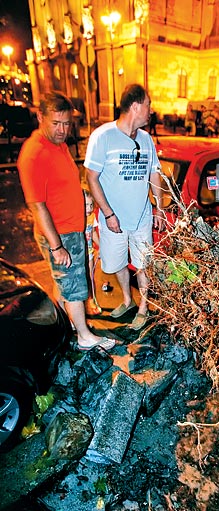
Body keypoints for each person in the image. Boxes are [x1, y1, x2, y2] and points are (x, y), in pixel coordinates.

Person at [17, 91, 115, 352]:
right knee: (74, 284)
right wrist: (57, 246)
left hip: (71, 228)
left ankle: (61, 327)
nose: (62, 130)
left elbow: (61, 186)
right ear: (40, 117)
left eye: (66, 123)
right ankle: (84, 336)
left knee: (63, 284)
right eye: (56, 123)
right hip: (60, 233)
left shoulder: (57, 145)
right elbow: (37, 205)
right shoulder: (34, 153)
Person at [84, 83, 166, 330]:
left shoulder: (146, 139)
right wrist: (108, 214)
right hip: (113, 219)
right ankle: (128, 300)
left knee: (143, 263)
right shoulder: (103, 136)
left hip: (141, 216)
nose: (151, 110)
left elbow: (154, 173)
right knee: (115, 262)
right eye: (148, 104)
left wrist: (159, 208)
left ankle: (143, 307)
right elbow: (91, 177)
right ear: (135, 106)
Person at [83, 183, 102, 315]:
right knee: (81, 279)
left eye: (91, 205)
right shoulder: (76, 219)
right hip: (78, 255)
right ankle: (82, 304)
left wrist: (101, 245)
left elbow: (93, 232)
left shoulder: (91, 217)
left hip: (89, 253)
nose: (89, 208)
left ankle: (92, 300)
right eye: (86, 205)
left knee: (90, 277)